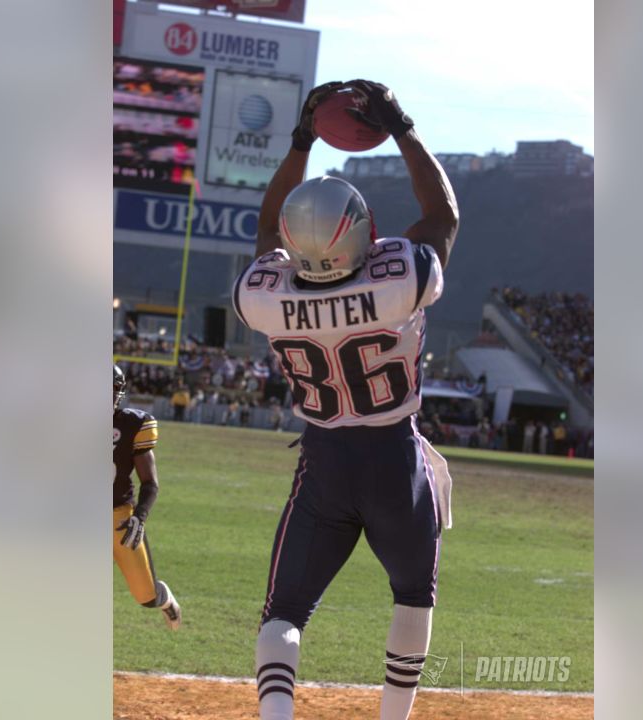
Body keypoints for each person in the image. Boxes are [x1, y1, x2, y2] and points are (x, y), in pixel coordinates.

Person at [232, 79, 459, 720]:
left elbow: (262, 232)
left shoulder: (265, 293)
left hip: (324, 462)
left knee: (284, 615)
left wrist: (302, 141)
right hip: (394, 461)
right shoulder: (400, 279)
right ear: (360, 229)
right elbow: (443, 216)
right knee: (413, 595)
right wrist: (404, 127)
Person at [113, 365, 182, 630]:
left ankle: (163, 599)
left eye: (111, 391)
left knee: (146, 596)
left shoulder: (131, 425)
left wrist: (139, 518)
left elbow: (150, 483)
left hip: (119, 519)